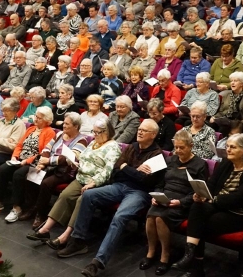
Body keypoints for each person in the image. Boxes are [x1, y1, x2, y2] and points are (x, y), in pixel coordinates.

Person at [56, 119, 165, 277]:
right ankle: (78, 241)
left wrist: (126, 167)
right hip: (119, 186)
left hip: (139, 193)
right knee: (88, 195)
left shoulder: (157, 155)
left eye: (144, 130)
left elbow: (146, 180)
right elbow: (116, 169)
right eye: (139, 129)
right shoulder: (132, 147)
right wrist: (132, 169)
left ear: (153, 135)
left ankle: (98, 261)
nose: (139, 132)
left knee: (119, 216)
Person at [171, 134, 243, 276]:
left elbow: (239, 199)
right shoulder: (226, 163)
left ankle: (196, 265)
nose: (228, 150)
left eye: (233, 147)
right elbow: (212, 183)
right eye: (227, 146)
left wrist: (212, 200)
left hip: (238, 213)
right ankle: (189, 256)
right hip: (217, 204)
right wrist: (201, 193)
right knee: (197, 206)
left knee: (200, 223)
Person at [26, 118, 118, 242]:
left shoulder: (113, 147)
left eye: (97, 132)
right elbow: (84, 158)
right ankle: (45, 230)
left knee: (81, 200)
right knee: (65, 195)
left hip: (95, 183)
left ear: (106, 132)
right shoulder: (93, 143)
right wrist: (75, 163)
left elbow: (108, 171)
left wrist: (94, 183)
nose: (94, 135)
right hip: (81, 177)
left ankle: (66, 235)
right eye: (93, 131)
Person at [141, 129, 207, 275]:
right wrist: (156, 195)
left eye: (182, 147)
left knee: (160, 218)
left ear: (191, 146)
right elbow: (160, 183)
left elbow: (199, 191)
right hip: (164, 197)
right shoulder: (170, 160)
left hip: (182, 202)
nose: (178, 150)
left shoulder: (200, 164)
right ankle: (151, 252)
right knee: (151, 216)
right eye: (176, 147)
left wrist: (181, 202)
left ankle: (165, 256)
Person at [0, 107, 56, 221]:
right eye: (36, 116)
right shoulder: (31, 129)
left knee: (18, 174)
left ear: (46, 120)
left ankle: (16, 207)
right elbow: (20, 145)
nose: (36, 119)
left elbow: (43, 152)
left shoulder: (49, 132)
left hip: (34, 162)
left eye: (39, 118)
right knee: (3, 169)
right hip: (19, 159)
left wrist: (27, 161)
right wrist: (15, 156)